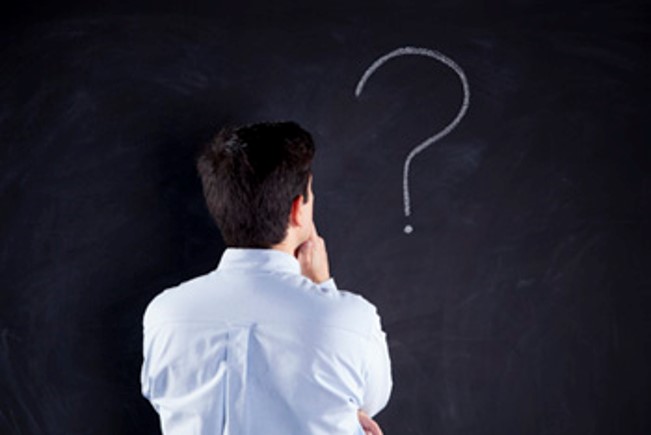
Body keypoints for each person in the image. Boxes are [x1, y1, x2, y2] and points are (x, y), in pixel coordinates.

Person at [140, 122, 392, 434]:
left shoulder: (164, 314)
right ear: (298, 209)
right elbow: (369, 401)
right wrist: (323, 287)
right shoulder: (352, 318)